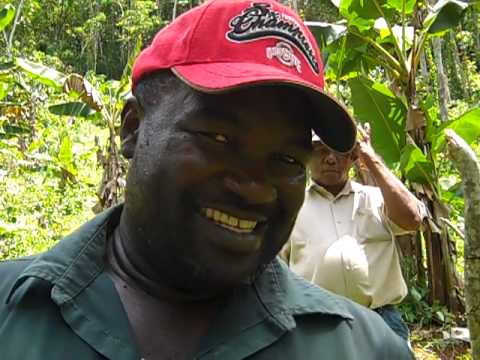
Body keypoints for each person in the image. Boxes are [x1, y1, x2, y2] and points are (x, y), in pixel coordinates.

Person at [0, 0, 413, 359]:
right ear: (133, 128)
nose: (255, 187)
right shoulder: (12, 312)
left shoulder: (365, 349)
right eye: (218, 138)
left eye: (286, 158)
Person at [281, 123, 427, 342]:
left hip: (380, 321)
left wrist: (371, 158)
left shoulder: (376, 198)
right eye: (321, 150)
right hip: (317, 326)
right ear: (306, 157)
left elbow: (413, 220)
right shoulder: (291, 208)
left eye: (339, 151)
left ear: (352, 157)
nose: (330, 158)